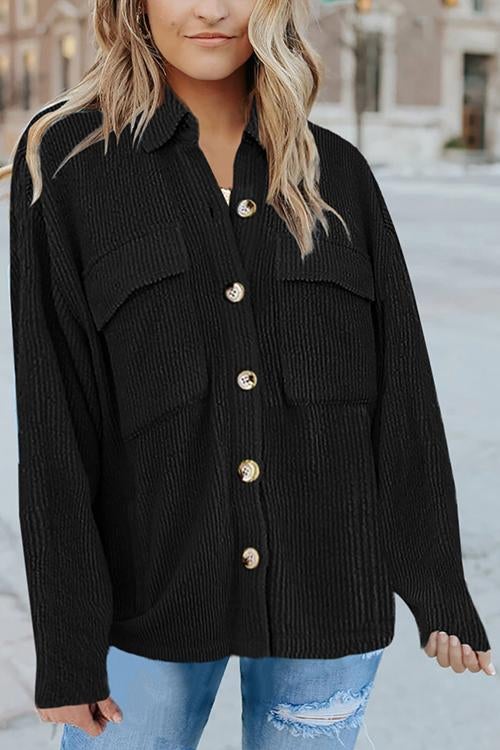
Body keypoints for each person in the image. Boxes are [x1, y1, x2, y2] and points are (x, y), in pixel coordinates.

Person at [5, 1, 494, 748]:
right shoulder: (69, 166)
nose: (211, 9)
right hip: (148, 602)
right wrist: (69, 645)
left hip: (330, 590)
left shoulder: (340, 174)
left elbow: (403, 394)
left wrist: (436, 583)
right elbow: (54, 422)